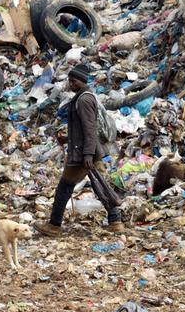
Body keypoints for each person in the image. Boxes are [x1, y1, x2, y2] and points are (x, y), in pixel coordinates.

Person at [35, 64, 124, 236]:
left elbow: (89, 129)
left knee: (65, 186)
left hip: (83, 152)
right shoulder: (85, 97)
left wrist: (87, 154)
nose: (70, 83)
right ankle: (115, 220)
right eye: (69, 80)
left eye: (72, 80)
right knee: (100, 185)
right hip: (87, 150)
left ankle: (54, 225)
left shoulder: (83, 100)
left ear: (81, 81)